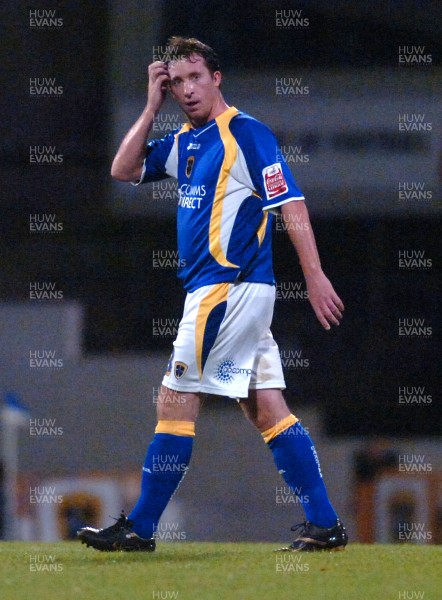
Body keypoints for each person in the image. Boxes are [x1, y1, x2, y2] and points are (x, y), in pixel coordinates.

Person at [77, 36, 347, 553]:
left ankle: (141, 526)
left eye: (195, 77)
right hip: (232, 296)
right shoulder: (186, 142)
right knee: (265, 405)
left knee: (176, 399)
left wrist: (314, 275)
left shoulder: (248, 135)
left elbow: (291, 204)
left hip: (226, 291)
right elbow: (123, 169)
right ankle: (326, 523)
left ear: (216, 77)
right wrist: (150, 107)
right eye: (175, 82)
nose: (186, 89)